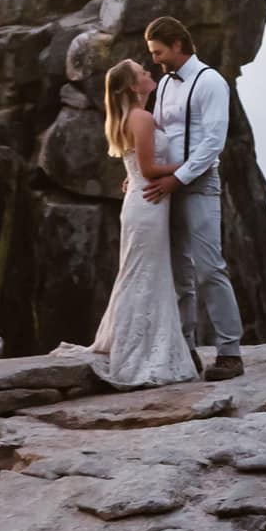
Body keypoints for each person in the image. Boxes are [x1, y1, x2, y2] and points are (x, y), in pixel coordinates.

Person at [141, 15, 245, 382]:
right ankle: (186, 352)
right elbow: (155, 132)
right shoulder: (166, 85)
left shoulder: (211, 82)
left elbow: (213, 142)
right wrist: (141, 174)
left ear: (178, 45)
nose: (155, 59)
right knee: (177, 272)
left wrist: (177, 178)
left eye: (158, 52)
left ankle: (230, 353)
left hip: (199, 185)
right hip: (167, 184)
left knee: (209, 268)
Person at [85, 59, 201, 388]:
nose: (150, 74)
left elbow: (136, 166)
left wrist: (133, 178)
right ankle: (137, 348)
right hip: (148, 206)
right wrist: (191, 165)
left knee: (140, 273)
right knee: (144, 274)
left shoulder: (131, 118)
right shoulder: (142, 117)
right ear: (134, 87)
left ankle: (132, 341)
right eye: (143, 73)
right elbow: (149, 169)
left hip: (141, 202)